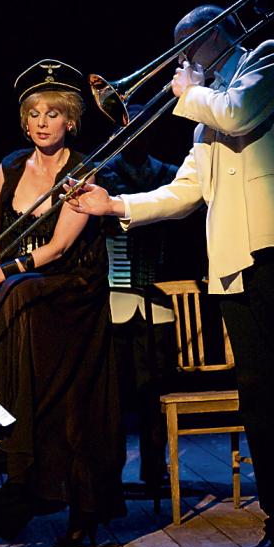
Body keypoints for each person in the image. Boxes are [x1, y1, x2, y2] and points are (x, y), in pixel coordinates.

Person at [64, 5, 274, 547]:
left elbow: (240, 113)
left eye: (185, 46)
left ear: (215, 35)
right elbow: (184, 192)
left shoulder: (268, 58)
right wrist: (114, 205)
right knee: (261, 396)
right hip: (233, 261)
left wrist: (190, 91)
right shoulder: (204, 116)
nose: (180, 59)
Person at [0, 58, 126, 547]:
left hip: (72, 291)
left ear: (70, 120)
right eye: (34, 114)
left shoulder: (83, 169)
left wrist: (1, 275)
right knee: (0, 297)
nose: (42, 122)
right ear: (24, 122)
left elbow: (57, 248)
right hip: (26, 288)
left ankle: (81, 509)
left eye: (53, 113)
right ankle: (7, 433)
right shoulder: (10, 165)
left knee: (20, 299)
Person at [97, 103, 207, 491]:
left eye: (144, 129)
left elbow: (183, 226)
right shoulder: (104, 174)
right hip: (114, 294)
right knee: (113, 392)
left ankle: (154, 467)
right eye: (131, 129)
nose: (137, 137)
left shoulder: (168, 173)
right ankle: (108, 474)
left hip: (157, 295)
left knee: (155, 388)